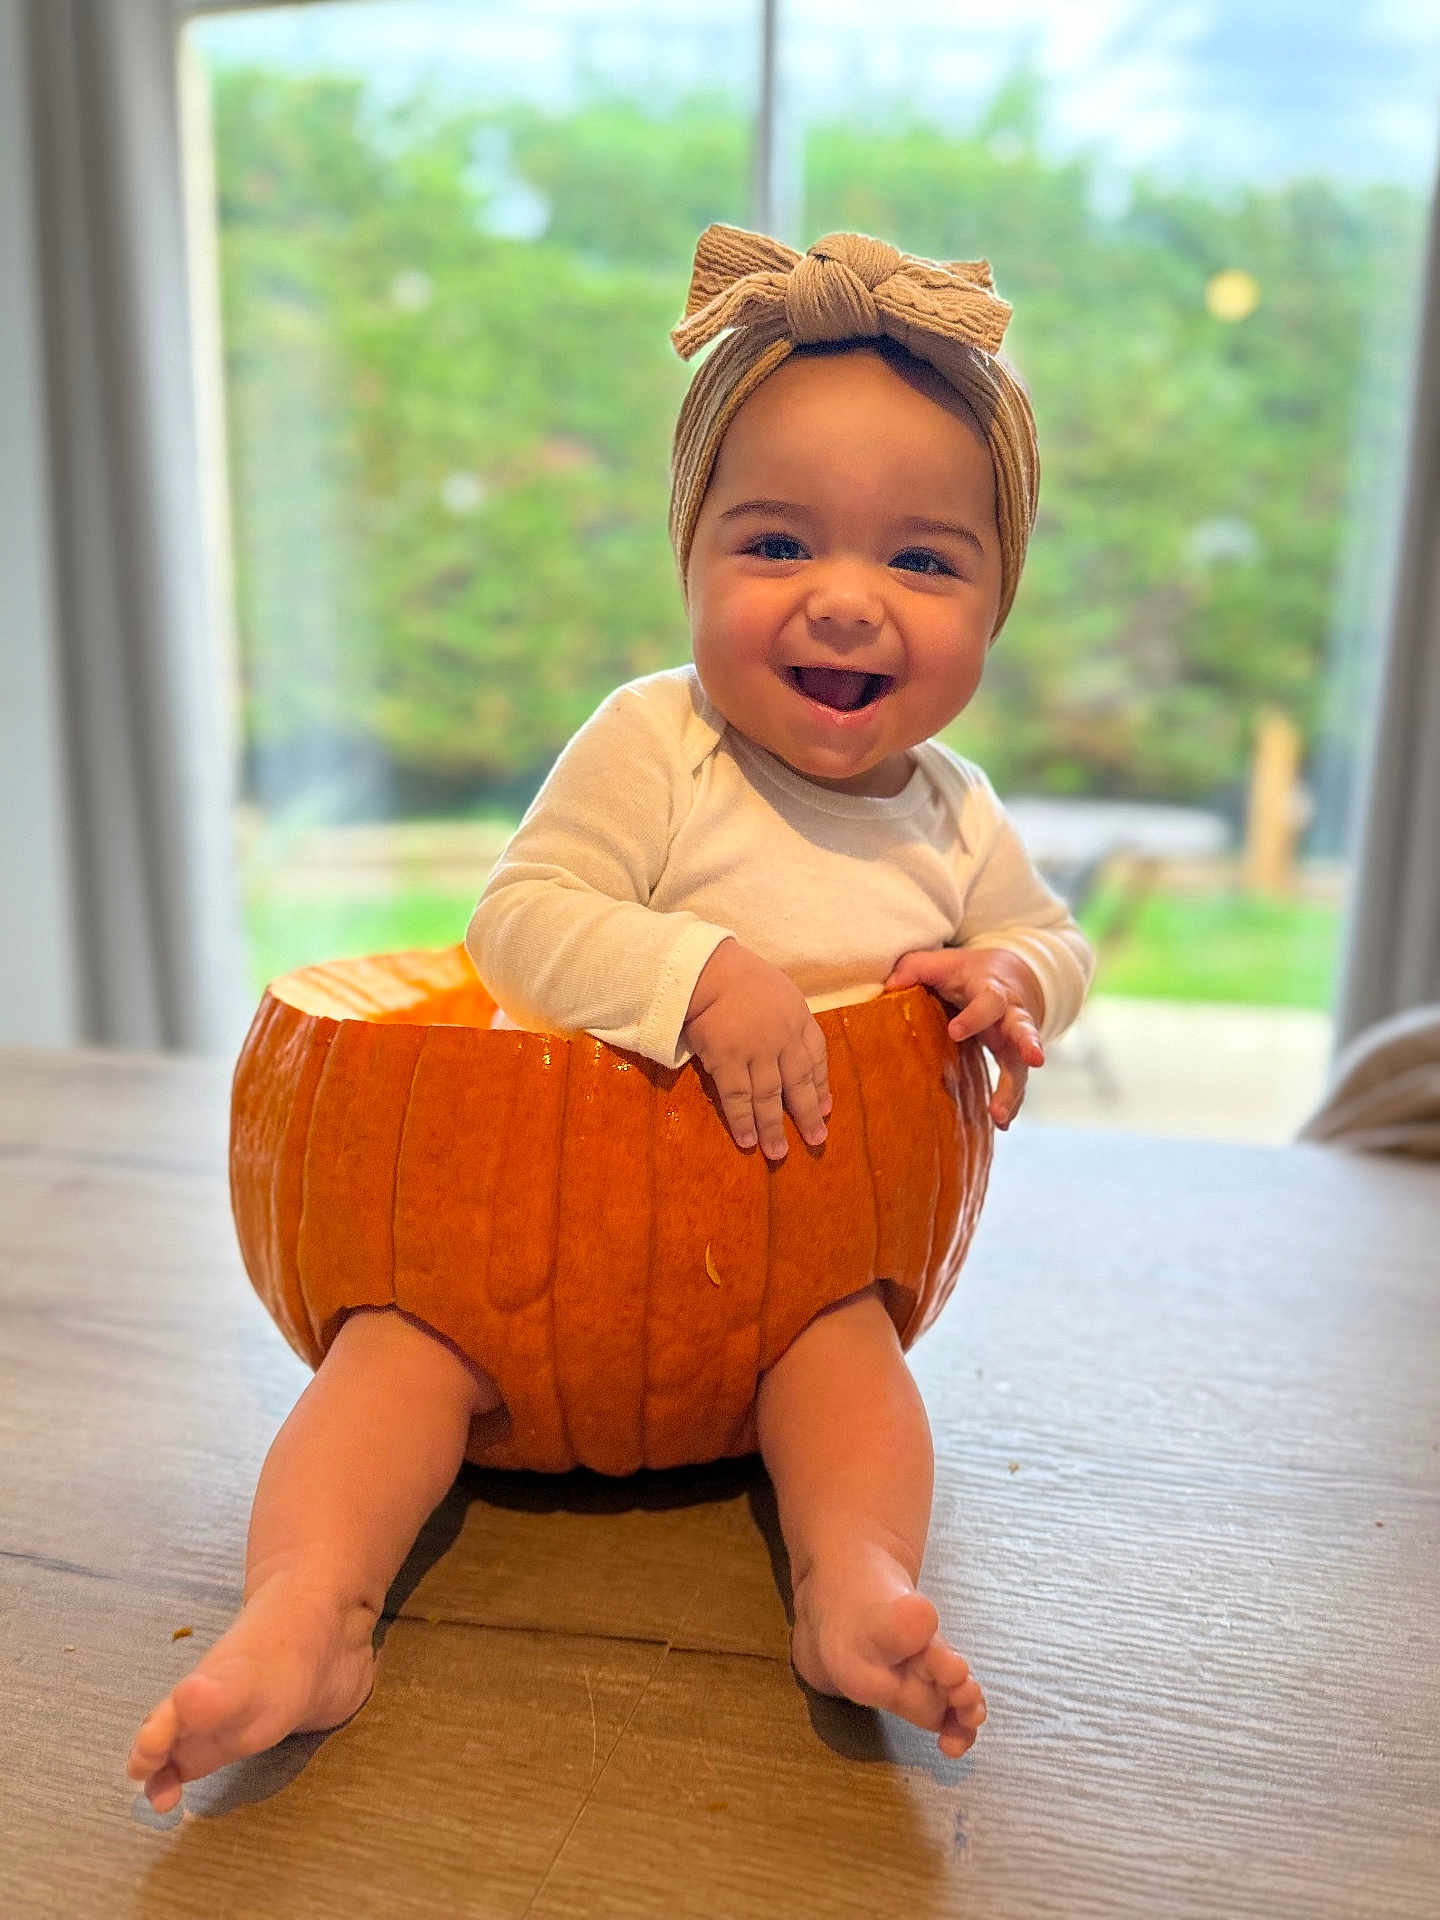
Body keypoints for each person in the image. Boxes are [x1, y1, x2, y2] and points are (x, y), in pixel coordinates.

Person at [127, 224, 1093, 1811]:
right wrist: (701, 975)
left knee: (854, 1370)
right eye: (778, 545)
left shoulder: (954, 811)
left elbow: (1045, 936)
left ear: (996, 600)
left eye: (923, 561)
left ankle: (849, 1589)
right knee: (386, 1361)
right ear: (693, 554)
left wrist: (1012, 982)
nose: (847, 603)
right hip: (518, 1256)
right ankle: (309, 1608)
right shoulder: (659, 745)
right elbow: (519, 920)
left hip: (792, 1276)